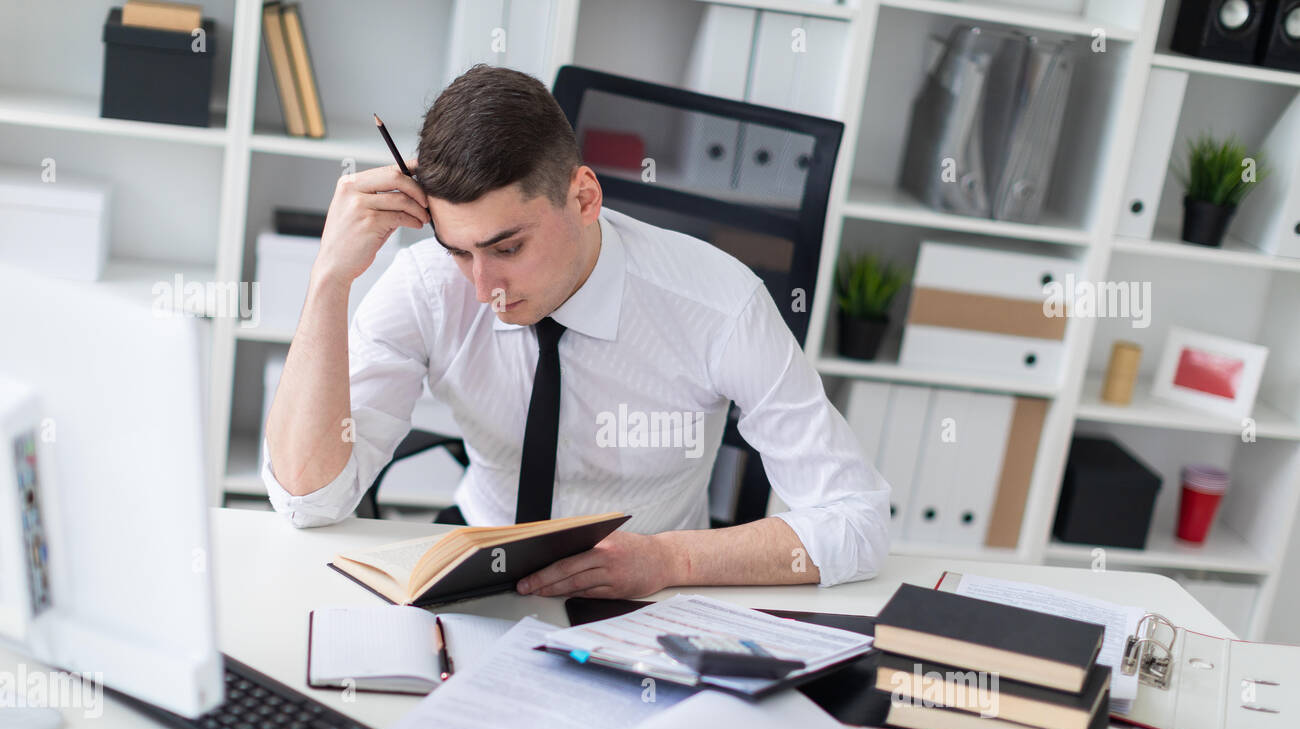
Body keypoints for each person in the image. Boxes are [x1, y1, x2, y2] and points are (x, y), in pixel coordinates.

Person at [263, 64, 890, 599]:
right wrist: (329, 282)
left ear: (585, 197)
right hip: (477, 571)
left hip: (650, 589)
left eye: (507, 247)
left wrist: (674, 560)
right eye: (458, 250)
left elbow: (858, 523)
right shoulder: (427, 284)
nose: (483, 289)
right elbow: (309, 502)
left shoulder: (719, 304)